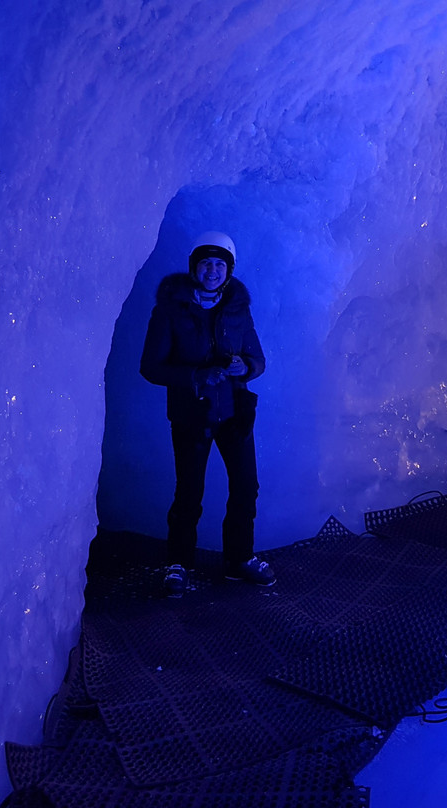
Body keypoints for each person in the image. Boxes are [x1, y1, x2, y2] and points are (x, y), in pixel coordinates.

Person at [140, 231, 276, 596]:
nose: (212, 270)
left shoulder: (238, 310)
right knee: (189, 492)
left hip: (235, 413)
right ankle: (179, 564)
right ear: (194, 268)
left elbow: (258, 360)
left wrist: (243, 368)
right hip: (192, 415)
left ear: (228, 269)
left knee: (246, 487)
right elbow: (151, 367)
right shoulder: (170, 309)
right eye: (206, 263)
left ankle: (239, 560)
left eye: (219, 264)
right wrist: (197, 376)